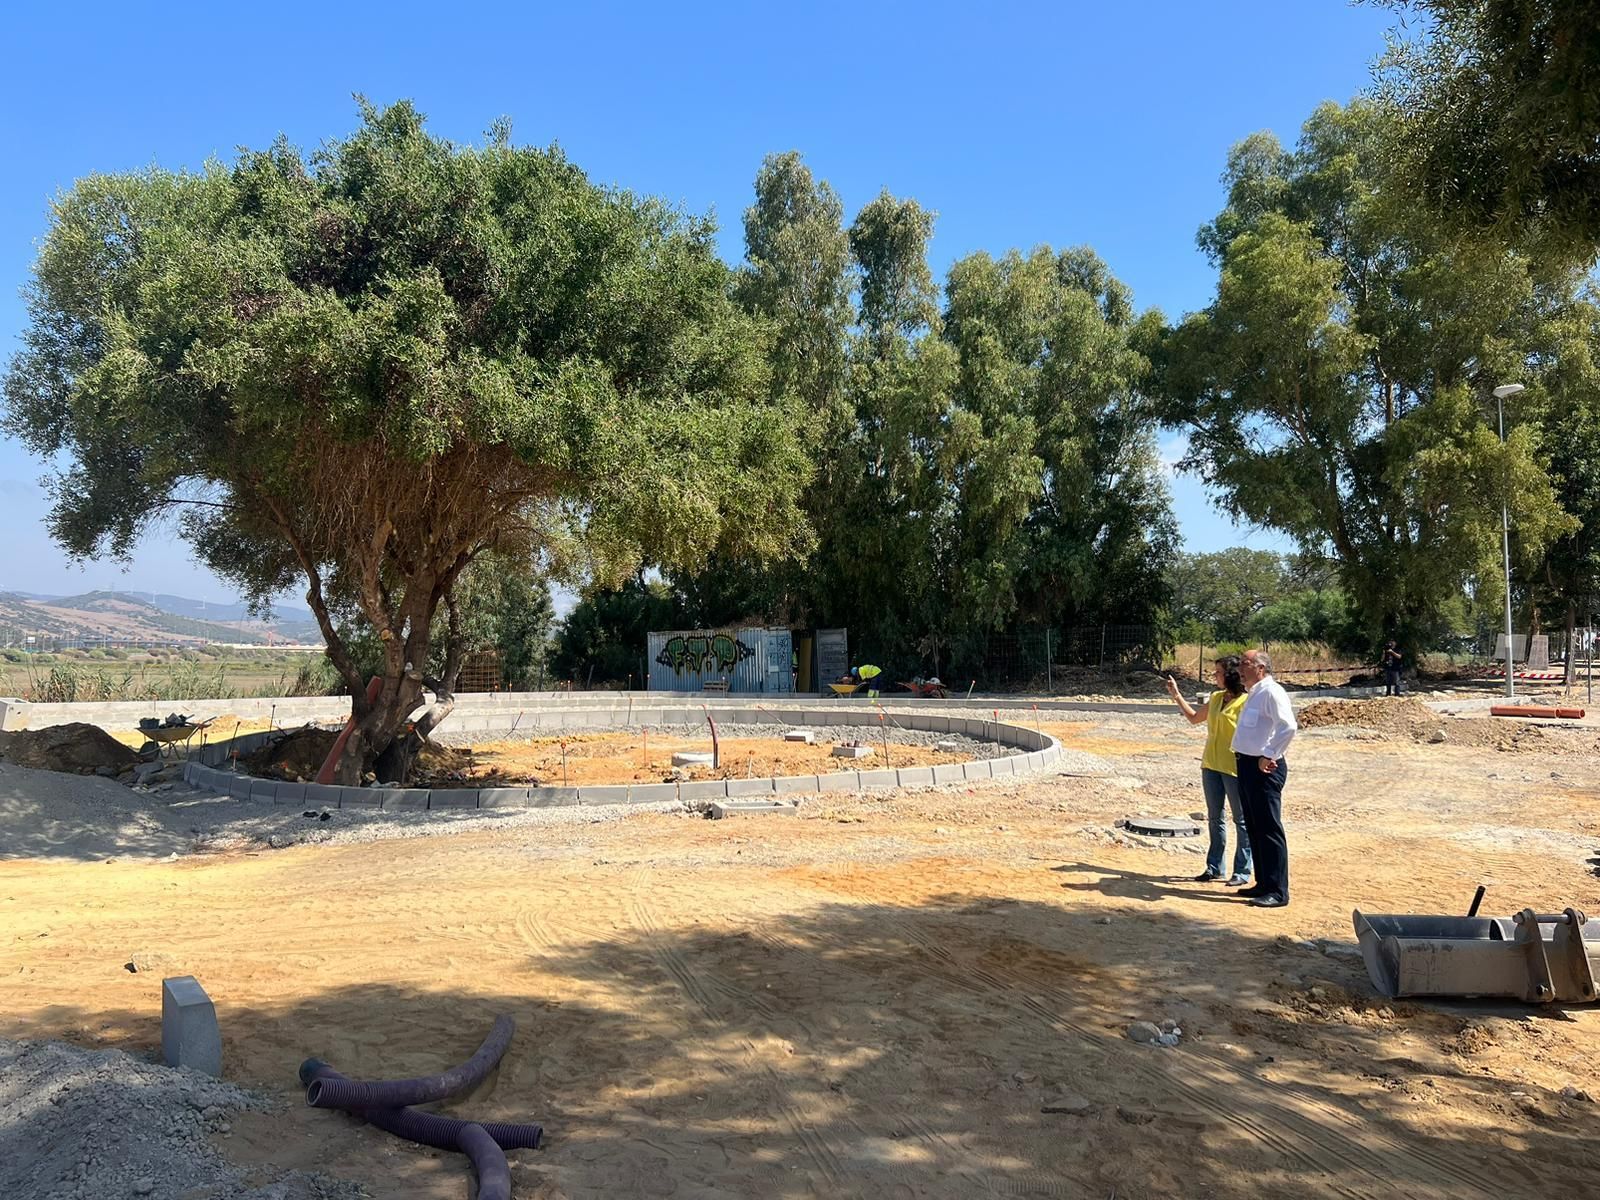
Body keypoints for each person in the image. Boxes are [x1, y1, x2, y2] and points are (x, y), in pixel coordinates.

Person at [1164, 657, 1252, 886]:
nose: (1215, 676)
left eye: (1218, 672)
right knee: (1215, 818)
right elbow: (1194, 718)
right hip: (1211, 766)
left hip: (1234, 768)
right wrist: (1176, 695)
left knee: (1241, 821)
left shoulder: (1246, 702)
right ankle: (1215, 867)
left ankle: (1242, 871)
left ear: (1230, 675)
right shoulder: (1214, 698)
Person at [1230, 648, 1297, 909]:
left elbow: (1288, 726)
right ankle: (1263, 882)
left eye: (1245, 663)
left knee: (1269, 828)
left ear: (1260, 667)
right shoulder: (1254, 694)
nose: (1240, 668)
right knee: (1255, 826)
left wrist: (1270, 753)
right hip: (1246, 765)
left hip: (1264, 767)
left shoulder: (1271, 692)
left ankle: (1278, 891)